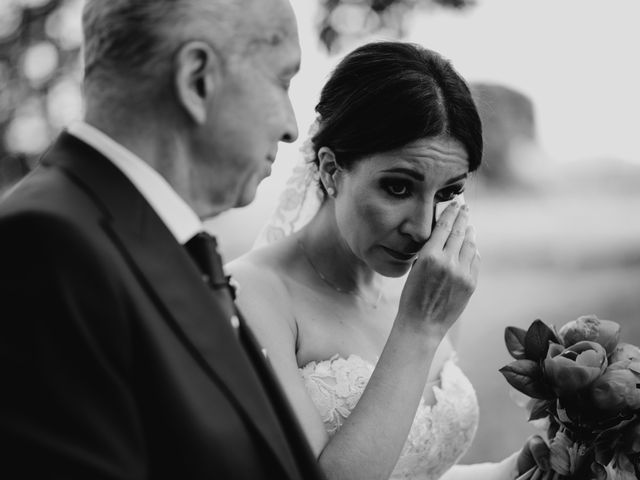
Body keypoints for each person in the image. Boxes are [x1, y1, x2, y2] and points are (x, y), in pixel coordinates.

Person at [0, 1, 324, 479]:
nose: (291, 127)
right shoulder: (43, 249)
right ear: (198, 78)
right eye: (282, 80)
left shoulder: (152, 237)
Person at [227, 42, 548, 480]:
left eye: (448, 193)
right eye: (398, 188)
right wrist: (418, 328)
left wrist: (511, 471)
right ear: (330, 170)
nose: (422, 228)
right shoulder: (251, 296)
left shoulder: (430, 282)